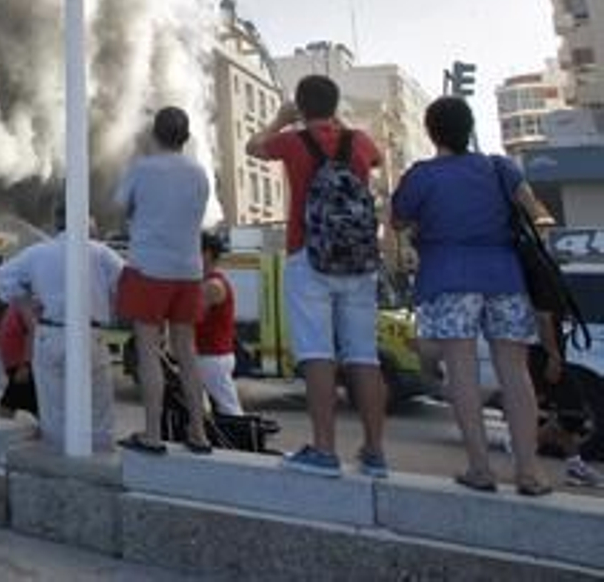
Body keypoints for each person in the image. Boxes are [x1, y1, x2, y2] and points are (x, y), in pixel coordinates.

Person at [391, 97, 550, 496]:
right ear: (470, 127)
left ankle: (480, 468)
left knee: (461, 371)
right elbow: (536, 213)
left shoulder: (422, 176)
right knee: (516, 374)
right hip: (504, 274)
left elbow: (397, 220)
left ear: (430, 132)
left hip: (447, 274)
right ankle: (529, 472)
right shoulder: (500, 168)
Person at [247, 74, 388, 479]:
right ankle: (375, 451)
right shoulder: (358, 141)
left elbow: (252, 146)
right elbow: (375, 160)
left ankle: (324, 448)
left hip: (308, 255)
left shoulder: (292, 142)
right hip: (359, 261)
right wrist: (337, 123)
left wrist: (280, 119)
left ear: (301, 107)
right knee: (364, 354)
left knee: (317, 353)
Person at [114, 107, 212, 455]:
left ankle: (153, 433)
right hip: (189, 270)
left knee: (148, 351)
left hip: (149, 269)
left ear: (155, 134)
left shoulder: (142, 169)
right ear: (185, 137)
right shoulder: (200, 173)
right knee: (187, 352)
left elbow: (121, 207)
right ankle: (198, 431)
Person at [0, 207, 126, 452]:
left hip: (50, 334)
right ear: (86, 223)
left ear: (57, 225)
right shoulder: (100, 253)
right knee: (99, 409)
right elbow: (128, 283)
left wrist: (26, 303)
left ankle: (55, 459)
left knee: (53, 409)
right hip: (90, 334)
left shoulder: (38, 253)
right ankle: (98, 464)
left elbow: (1, 276)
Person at [532, 309, 601, 487]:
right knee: (573, 413)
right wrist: (553, 355)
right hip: (544, 355)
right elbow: (543, 316)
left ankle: (574, 464)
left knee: (569, 414)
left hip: (555, 353)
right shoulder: (545, 284)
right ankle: (524, 444)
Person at [196, 232, 243, 417]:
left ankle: (244, 441)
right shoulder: (209, 282)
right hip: (209, 355)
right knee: (202, 406)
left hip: (211, 356)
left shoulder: (212, 285)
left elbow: (191, 315)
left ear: (206, 254)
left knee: (229, 408)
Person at [0, 302, 36, 422]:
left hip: (21, 367)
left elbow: (32, 331)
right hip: (14, 368)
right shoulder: (11, 306)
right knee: (35, 407)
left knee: (5, 409)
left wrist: (26, 365)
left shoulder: (23, 304)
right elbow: (3, 332)